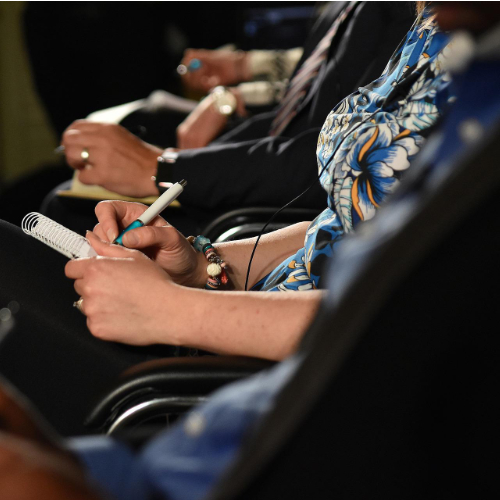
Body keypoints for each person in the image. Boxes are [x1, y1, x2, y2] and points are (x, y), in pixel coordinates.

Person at [1, 4, 499, 498]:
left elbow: (408, 326)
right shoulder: (444, 32)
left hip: (244, 402)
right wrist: (205, 264)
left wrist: (177, 310)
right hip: (216, 403)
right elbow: (352, 227)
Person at [43, 2, 414, 235]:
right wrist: (236, 85)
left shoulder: (419, 16)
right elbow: (319, 84)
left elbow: (335, 154)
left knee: (64, 208)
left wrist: (163, 168)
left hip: (288, 207)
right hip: (280, 171)